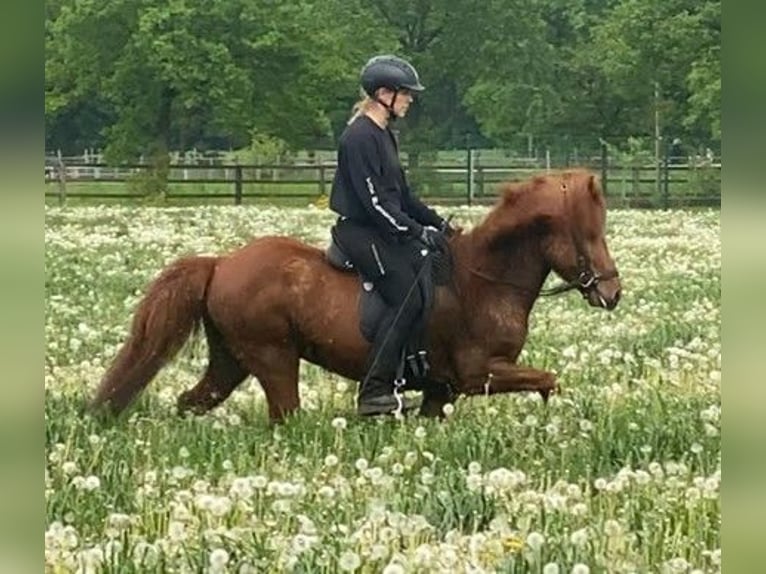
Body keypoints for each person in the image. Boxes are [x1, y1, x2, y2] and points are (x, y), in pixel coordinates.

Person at [329, 54, 453, 416]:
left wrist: (439, 224)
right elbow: (374, 203)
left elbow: (402, 196)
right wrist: (414, 232)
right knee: (408, 296)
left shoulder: (384, 135)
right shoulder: (359, 137)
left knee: (430, 274)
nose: (410, 100)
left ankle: (416, 371)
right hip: (360, 231)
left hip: (383, 227)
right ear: (384, 94)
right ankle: (375, 392)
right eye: (406, 94)